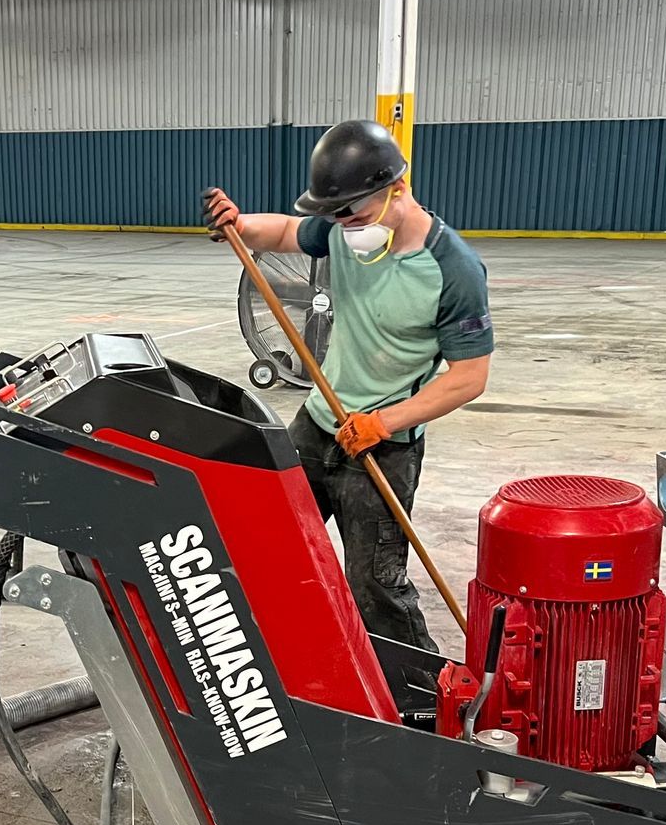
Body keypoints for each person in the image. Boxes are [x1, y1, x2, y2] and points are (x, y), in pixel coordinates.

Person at [202, 119, 493, 672]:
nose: (342, 225)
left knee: (374, 584)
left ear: (397, 191)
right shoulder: (341, 229)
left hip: (383, 446)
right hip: (318, 423)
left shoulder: (452, 269)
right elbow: (288, 233)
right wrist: (238, 224)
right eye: (334, 214)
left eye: (353, 211)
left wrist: (384, 423)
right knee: (271, 541)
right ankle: (291, 661)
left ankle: (421, 696)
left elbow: (467, 378)